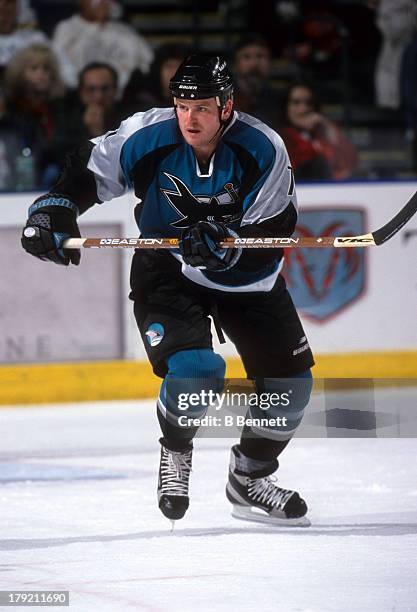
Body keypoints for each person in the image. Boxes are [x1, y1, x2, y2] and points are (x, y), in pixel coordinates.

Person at [21, 55, 314, 527]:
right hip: (167, 269)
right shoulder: (147, 134)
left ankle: (250, 478)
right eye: (182, 106)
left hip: (246, 279)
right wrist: (54, 209)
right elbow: (86, 173)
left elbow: (275, 232)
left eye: (202, 107)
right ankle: (176, 452)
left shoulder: (263, 148)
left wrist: (228, 247)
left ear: (226, 106)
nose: (190, 119)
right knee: (197, 372)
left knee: (292, 392)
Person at [1, 43, 69, 189]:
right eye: (34, 69)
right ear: (20, 73)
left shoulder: (62, 107)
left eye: (46, 69)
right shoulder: (12, 110)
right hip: (19, 177)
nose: (41, 74)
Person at [52, 0, 154, 92]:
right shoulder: (66, 28)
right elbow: (60, 63)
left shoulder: (124, 29)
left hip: (125, 96)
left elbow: (148, 61)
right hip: (80, 95)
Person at [279, 80, 357, 181]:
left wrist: (327, 127)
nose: (303, 109)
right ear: (286, 106)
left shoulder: (323, 131)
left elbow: (351, 161)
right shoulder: (280, 137)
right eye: (296, 102)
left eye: (309, 103)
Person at [232, 34, 282, 131]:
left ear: (270, 63)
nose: (254, 63)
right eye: (246, 57)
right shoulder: (223, 100)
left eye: (260, 56)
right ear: (236, 64)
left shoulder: (279, 101)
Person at [122, 42, 189, 114]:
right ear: (158, 71)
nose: (175, 72)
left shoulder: (196, 103)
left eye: (179, 67)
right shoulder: (143, 105)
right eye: (169, 66)